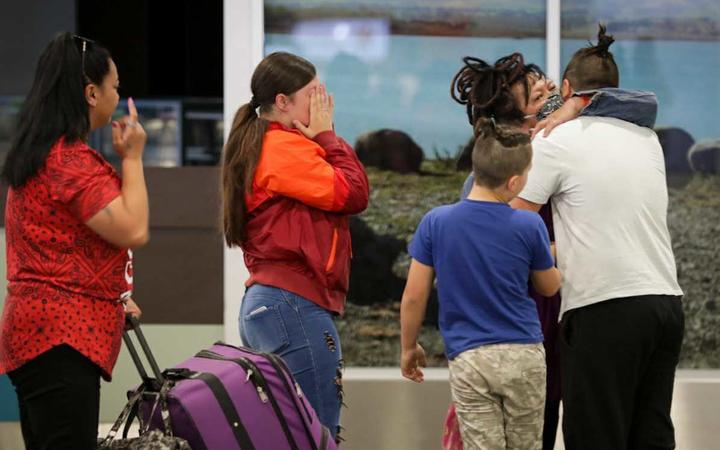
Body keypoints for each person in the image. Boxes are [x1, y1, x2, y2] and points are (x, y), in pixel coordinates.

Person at [451, 51, 660, 450]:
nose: (552, 97)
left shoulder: (562, 142)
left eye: (551, 87)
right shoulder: (494, 177)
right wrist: (569, 247)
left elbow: (643, 102)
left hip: (570, 306)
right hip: (527, 317)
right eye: (539, 96)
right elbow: (487, 247)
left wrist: (578, 104)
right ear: (517, 120)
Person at [511, 26, 684, 450]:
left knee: (595, 437)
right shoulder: (648, 140)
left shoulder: (555, 141)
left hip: (604, 308)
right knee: (652, 436)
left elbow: (511, 224)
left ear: (567, 89)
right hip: (665, 303)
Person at [0, 32, 148, 450]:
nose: (118, 96)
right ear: (90, 92)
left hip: (38, 334)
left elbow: (62, 247)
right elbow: (133, 227)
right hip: (60, 339)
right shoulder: (70, 162)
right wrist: (133, 159)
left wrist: (114, 295)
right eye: (115, 87)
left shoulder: (41, 154)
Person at [222, 52, 369, 440]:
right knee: (315, 433)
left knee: (287, 435)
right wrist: (326, 136)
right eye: (313, 94)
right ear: (283, 102)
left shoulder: (266, 145)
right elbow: (353, 192)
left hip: (275, 304)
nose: (322, 103)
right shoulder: (283, 149)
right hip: (294, 305)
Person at [400, 117, 561, 450]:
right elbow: (548, 287)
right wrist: (555, 256)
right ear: (515, 183)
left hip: (470, 357)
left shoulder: (437, 221)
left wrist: (408, 347)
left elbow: (415, 296)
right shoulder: (529, 225)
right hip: (523, 354)